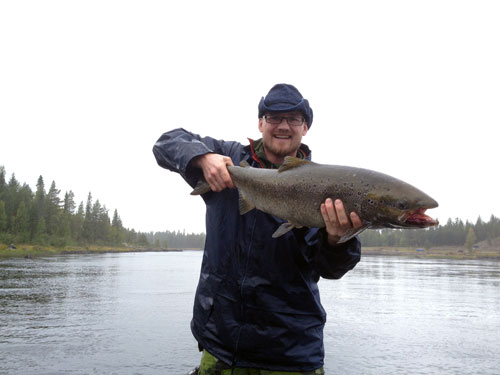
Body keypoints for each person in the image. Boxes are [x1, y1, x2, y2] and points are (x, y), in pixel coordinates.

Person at [153, 84, 363, 375]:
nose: (283, 126)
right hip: (221, 343)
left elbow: (331, 269)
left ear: (305, 128)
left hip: (292, 353)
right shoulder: (228, 158)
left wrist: (337, 240)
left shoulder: (325, 187)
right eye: (275, 118)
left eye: (293, 119)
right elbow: (167, 143)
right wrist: (203, 158)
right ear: (261, 123)